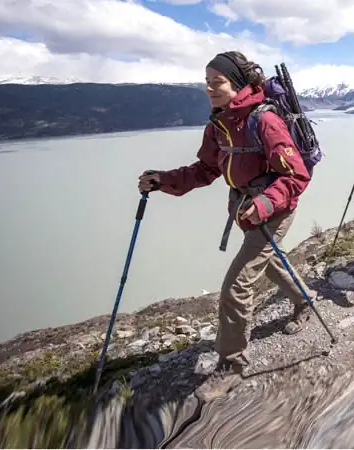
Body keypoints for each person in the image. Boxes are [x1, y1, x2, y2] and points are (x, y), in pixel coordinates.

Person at [137, 51, 315, 391]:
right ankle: (305, 301)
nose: (208, 89)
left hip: (275, 210)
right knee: (269, 262)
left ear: (236, 84)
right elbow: (204, 170)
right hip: (247, 210)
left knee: (235, 286)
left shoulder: (264, 121)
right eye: (206, 83)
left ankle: (232, 365)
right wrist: (162, 180)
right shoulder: (219, 125)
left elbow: (297, 176)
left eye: (215, 82)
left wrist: (264, 203)